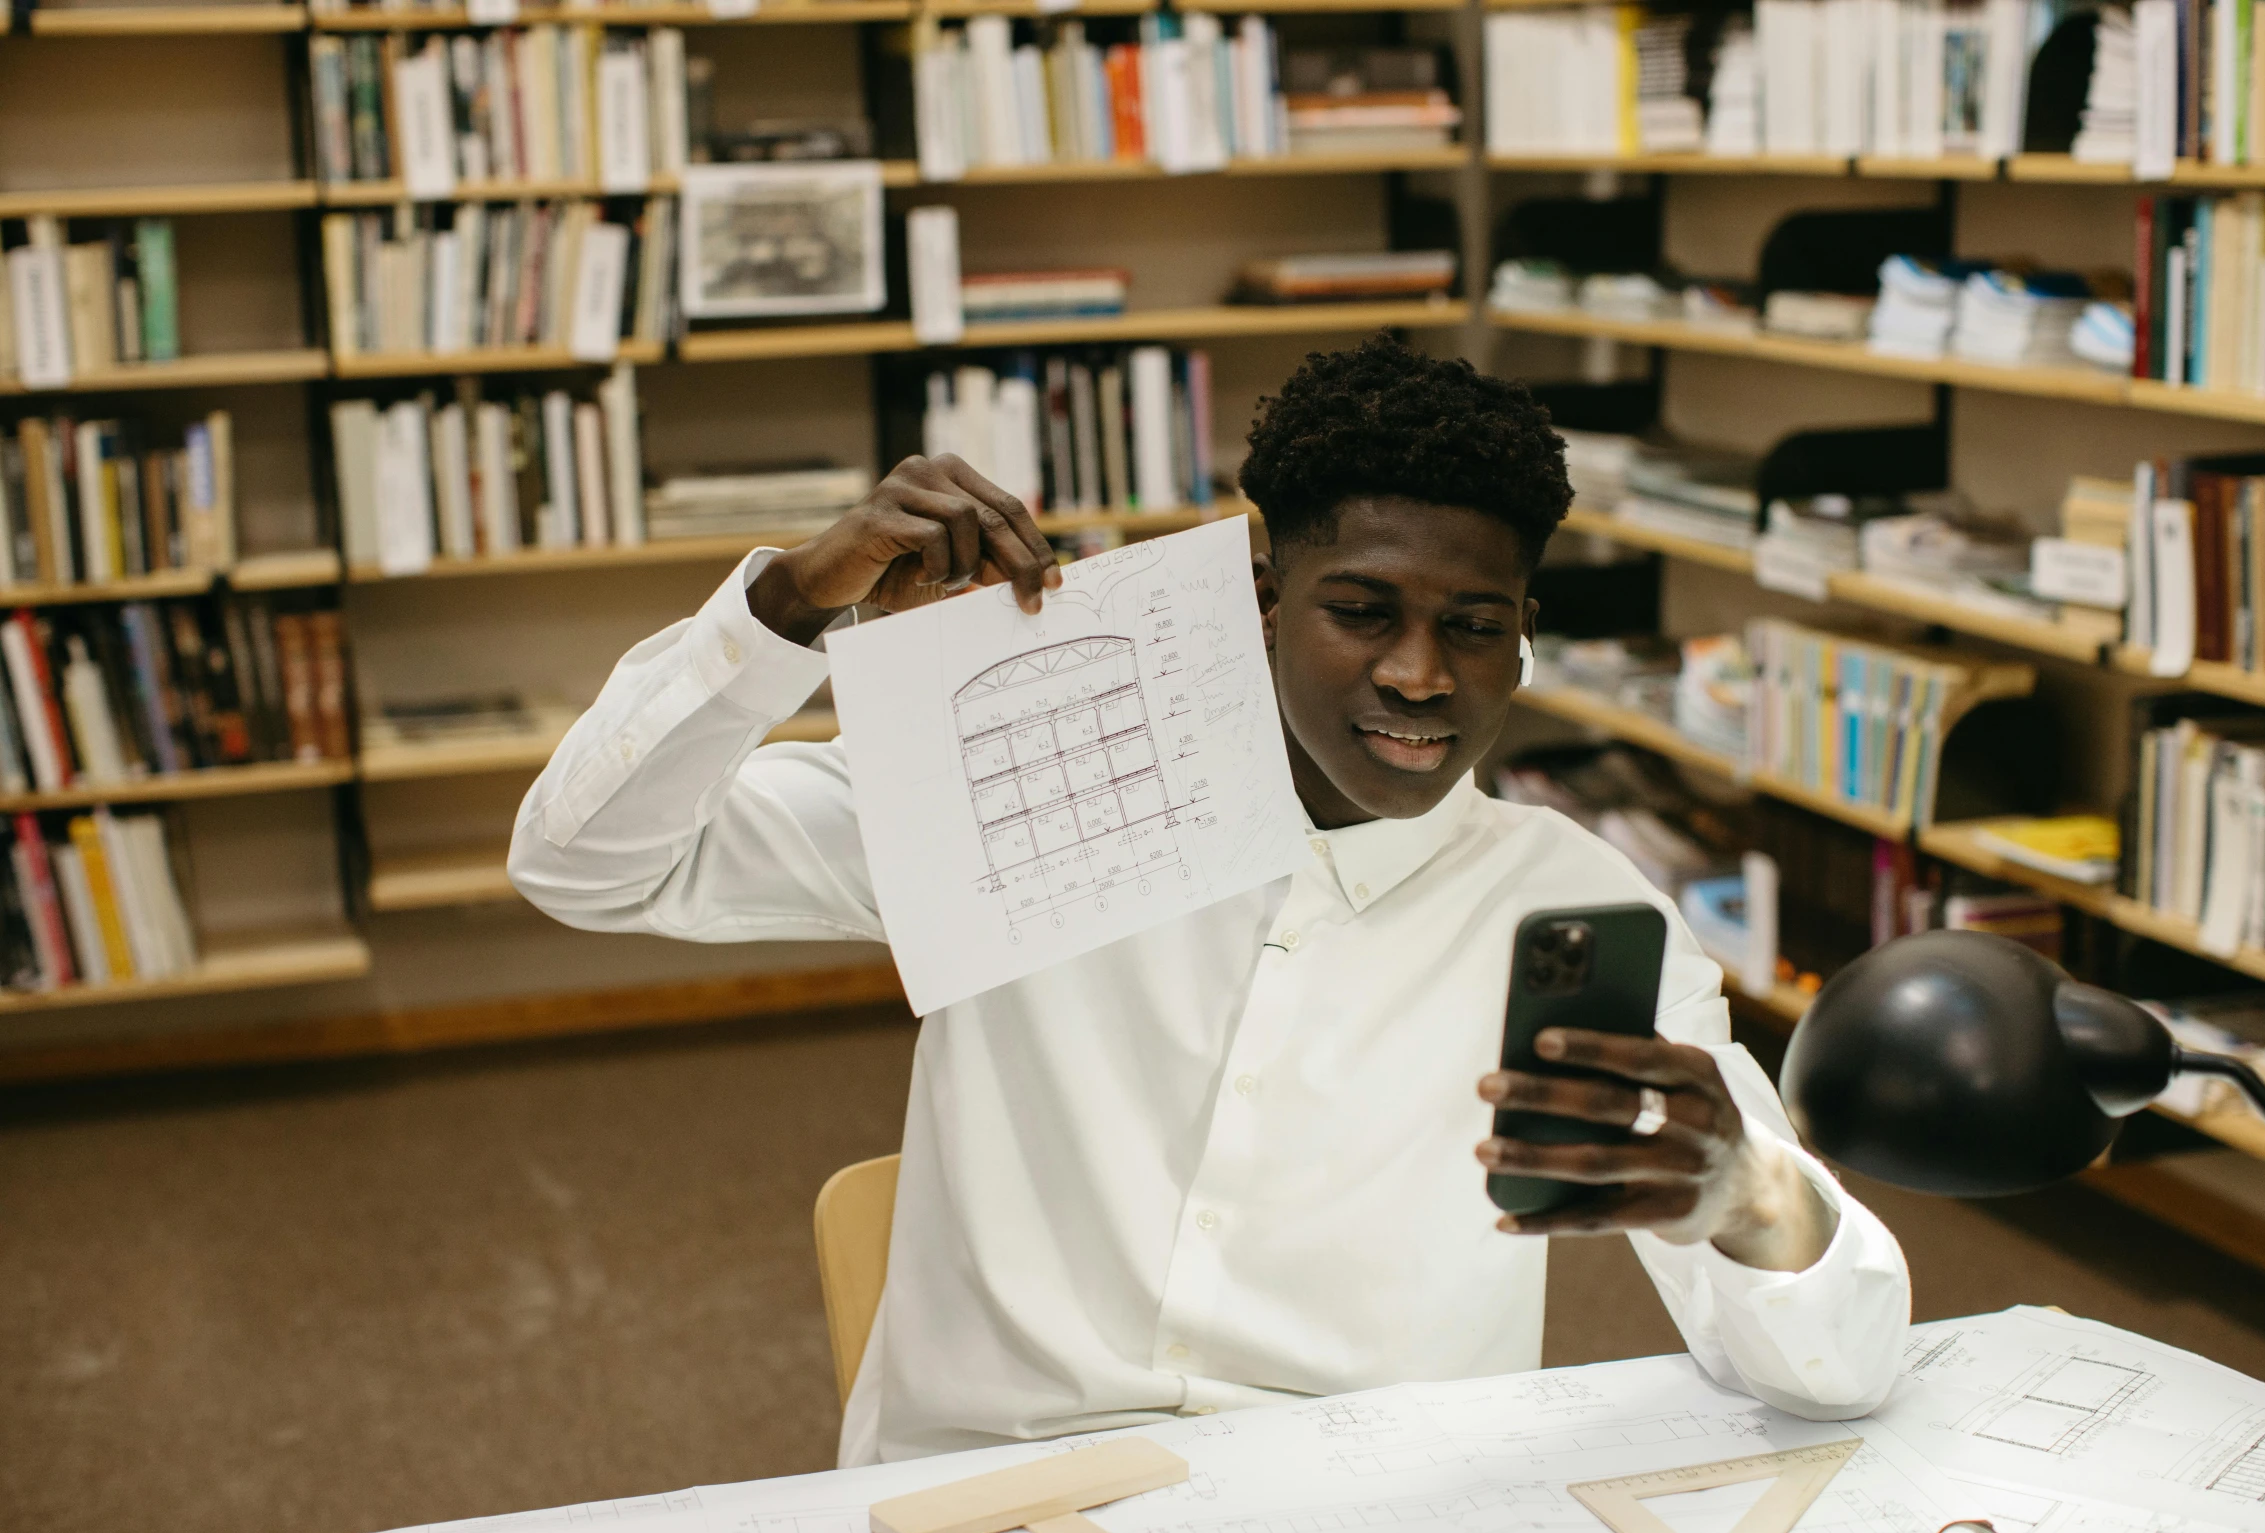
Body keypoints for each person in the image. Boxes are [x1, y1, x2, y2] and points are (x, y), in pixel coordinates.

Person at [509, 336, 1910, 1468]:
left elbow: (1836, 1363)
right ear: (1259, 594)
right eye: (1361, 609)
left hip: (1354, 1517)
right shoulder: (1018, 796)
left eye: (1474, 626)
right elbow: (586, 863)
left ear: (1523, 633)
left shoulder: (1583, 913)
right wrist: (787, 610)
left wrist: (1750, 1196)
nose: (1423, 673)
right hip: (990, 1500)